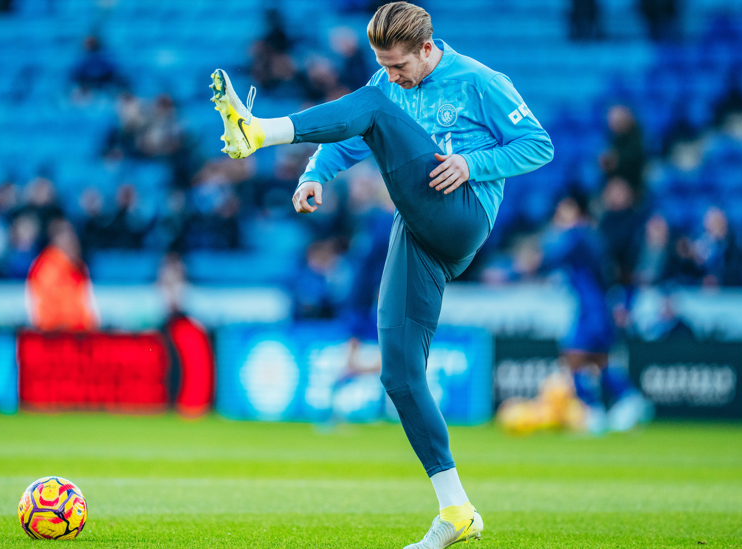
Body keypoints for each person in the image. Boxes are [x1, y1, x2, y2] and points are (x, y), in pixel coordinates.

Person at [210, 3, 554, 546]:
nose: (392, 75)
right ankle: (456, 510)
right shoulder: (385, 83)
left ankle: (259, 131)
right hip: (419, 229)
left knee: (371, 103)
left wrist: (472, 164)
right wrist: (316, 173)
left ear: (426, 48)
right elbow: (349, 136)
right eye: (384, 65)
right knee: (398, 373)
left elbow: (539, 145)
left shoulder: (480, 81)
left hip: (462, 214)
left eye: (399, 66)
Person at [523, 192, 652, 434]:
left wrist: (530, 265)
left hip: (591, 306)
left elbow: (552, 258)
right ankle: (625, 402)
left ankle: (596, 409)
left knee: (573, 356)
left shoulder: (577, 234)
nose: (560, 214)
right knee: (597, 359)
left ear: (576, 210)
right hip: (596, 304)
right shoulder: (589, 234)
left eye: (565, 208)